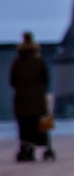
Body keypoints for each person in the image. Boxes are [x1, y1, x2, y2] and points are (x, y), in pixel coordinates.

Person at [10, 32, 53, 162]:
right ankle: (43, 145)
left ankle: (26, 146)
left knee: (24, 125)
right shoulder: (39, 62)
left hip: (22, 100)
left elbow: (13, 81)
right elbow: (46, 79)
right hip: (38, 100)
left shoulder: (17, 63)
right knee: (40, 124)